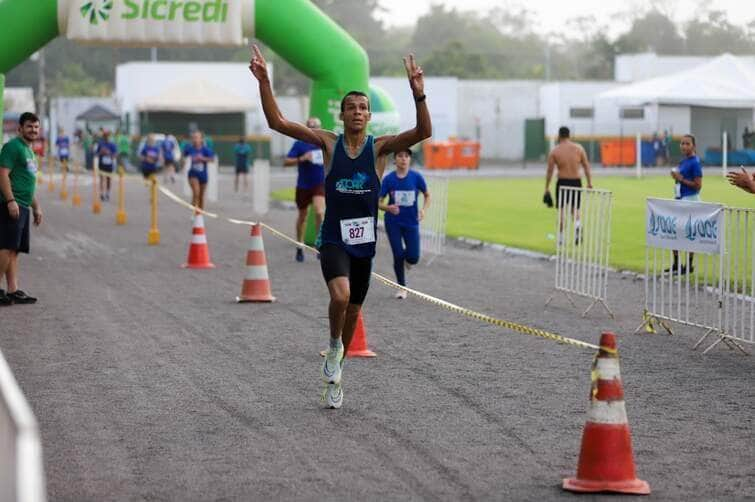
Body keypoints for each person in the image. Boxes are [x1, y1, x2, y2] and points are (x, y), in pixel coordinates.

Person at [249, 45, 431, 409]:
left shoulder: (380, 149)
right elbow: (278, 123)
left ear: (369, 114)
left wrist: (418, 93)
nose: (359, 112)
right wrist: (265, 82)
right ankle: (334, 346)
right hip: (333, 237)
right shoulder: (328, 143)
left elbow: (423, 131)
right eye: (352, 107)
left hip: (364, 243)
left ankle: (338, 370)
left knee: (354, 311)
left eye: (364, 107)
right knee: (341, 297)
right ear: (343, 114)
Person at [0, 112, 43, 306]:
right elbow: (2, 174)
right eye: (29, 126)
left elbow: (28, 182)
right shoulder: (13, 147)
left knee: (14, 249)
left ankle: (13, 290)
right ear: (20, 129)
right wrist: (10, 200)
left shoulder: (29, 151)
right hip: (12, 204)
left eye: (36, 127)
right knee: (6, 247)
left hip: (23, 205)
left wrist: (36, 207)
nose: (33, 130)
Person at [379, 149, 430, 299]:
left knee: (413, 257)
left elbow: (427, 195)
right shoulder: (389, 179)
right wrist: (387, 207)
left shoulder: (416, 177)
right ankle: (401, 287)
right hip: (393, 222)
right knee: (398, 254)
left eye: (406, 156)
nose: (403, 159)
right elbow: (378, 202)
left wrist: (423, 210)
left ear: (409, 159)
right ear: (395, 160)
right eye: (400, 156)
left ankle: (409, 261)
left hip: (411, 222)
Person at [284, 118, 325, 262]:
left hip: (319, 184)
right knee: (303, 216)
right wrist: (302, 158)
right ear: (305, 128)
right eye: (310, 126)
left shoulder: (323, 144)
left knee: (320, 212)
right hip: (303, 185)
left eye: (316, 127)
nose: (313, 129)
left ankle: (320, 244)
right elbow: (286, 162)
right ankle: (299, 245)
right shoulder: (299, 144)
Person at [544, 126, 593, 244]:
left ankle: (561, 238)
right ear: (569, 135)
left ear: (559, 136)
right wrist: (589, 182)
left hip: (562, 182)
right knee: (575, 209)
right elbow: (586, 166)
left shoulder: (555, 151)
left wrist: (547, 187)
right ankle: (577, 227)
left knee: (561, 210)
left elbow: (550, 171)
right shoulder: (579, 148)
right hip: (576, 181)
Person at [667, 134, 703, 275]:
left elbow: (698, 186)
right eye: (682, 143)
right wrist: (676, 177)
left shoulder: (695, 162)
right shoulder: (684, 162)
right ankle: (676, 264)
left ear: (693, 146)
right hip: (681, 199)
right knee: (674, 232)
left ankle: (689, 265)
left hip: (691, 200)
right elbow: (681, 180)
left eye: (687, 143)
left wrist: (680, 178)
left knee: (688, 234)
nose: (684, 146)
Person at [183, 130, 214, 210]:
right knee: (196, 192)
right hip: (193, 174)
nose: (195, 139)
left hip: (203, 175)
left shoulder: (206, 149)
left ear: (201, 139)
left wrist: (202, 158)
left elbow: (212, 159)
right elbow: (183, 156)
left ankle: (199, 216)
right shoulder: (189, 148)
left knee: (201, 196)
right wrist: (183, 161)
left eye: (197, 137)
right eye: (193, 138)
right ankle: (193, 212)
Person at [96, 130, 118, 201]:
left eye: (107, 136)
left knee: (108, 179)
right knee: (101, 179)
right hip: (102, 163)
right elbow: (96, 154)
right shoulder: (100, 144)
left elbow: (115, 155)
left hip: (109, 164)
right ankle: (101, 193)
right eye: (105, 136)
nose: (106, 137)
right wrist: (101, 153)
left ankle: (107, 193)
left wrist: (109, 153)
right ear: (103, 137)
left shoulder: (112, 144)